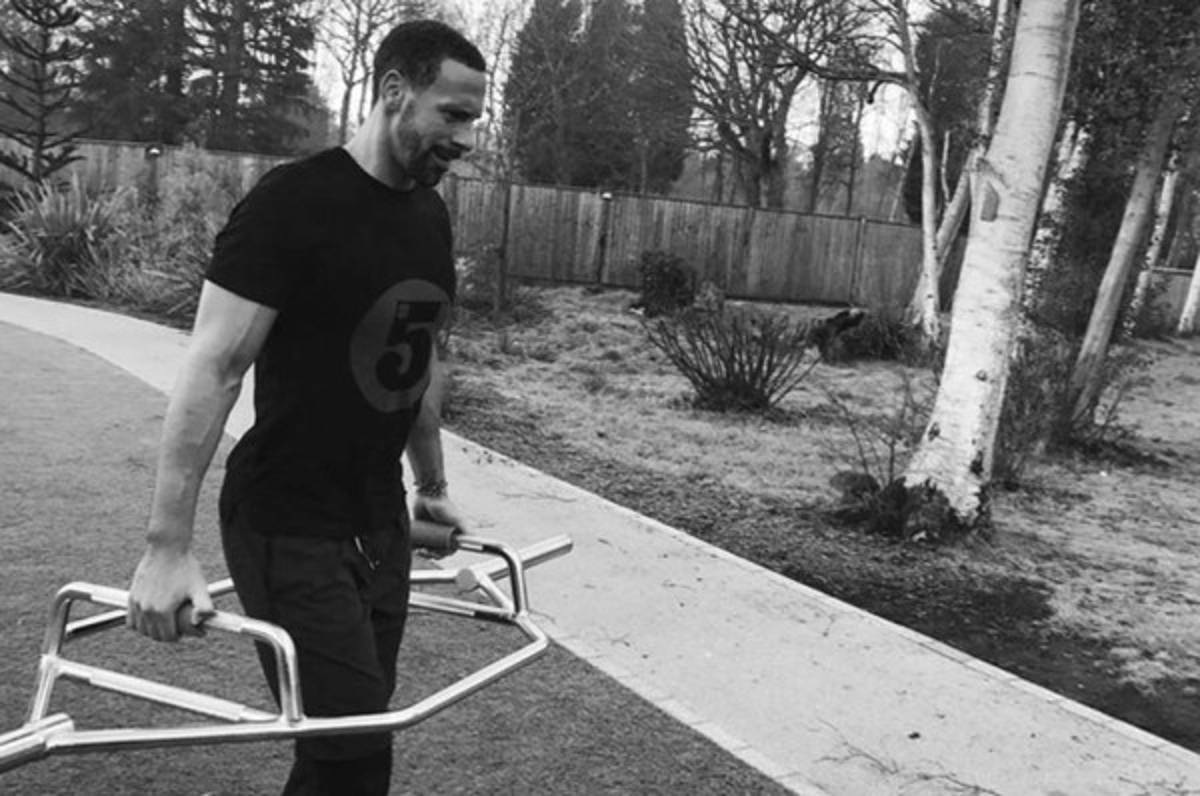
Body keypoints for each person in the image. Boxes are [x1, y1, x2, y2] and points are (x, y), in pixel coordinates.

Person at [126, 20, 487, 796]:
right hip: (288, 518)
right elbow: (216, 367)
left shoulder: (429, 216)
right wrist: (166, 547)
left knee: (347, 740)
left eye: (473, 120)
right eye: (454, 115)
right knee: (353, 755)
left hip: (378, 518)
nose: (466, 139)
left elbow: (417, 358)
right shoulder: (293, 203)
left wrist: (430, 486)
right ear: (395, 92)